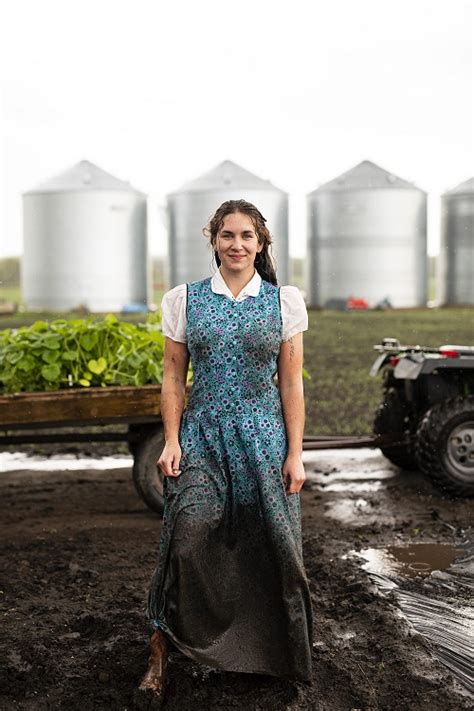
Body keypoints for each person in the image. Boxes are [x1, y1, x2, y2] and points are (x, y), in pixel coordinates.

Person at [138, 199, 313, 702]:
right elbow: (174, 376)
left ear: (261, 244)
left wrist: (295, 453)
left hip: (264, 440)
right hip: (203, 437)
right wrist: (171, 440)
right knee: (189, 534)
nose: (237, 245)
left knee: (276, 545)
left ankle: (275, 655)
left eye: (247, 237)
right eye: (227, 235)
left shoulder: (284, 302)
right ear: (213, 239)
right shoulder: (185, 300)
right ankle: (171, 643)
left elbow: (291, 383)